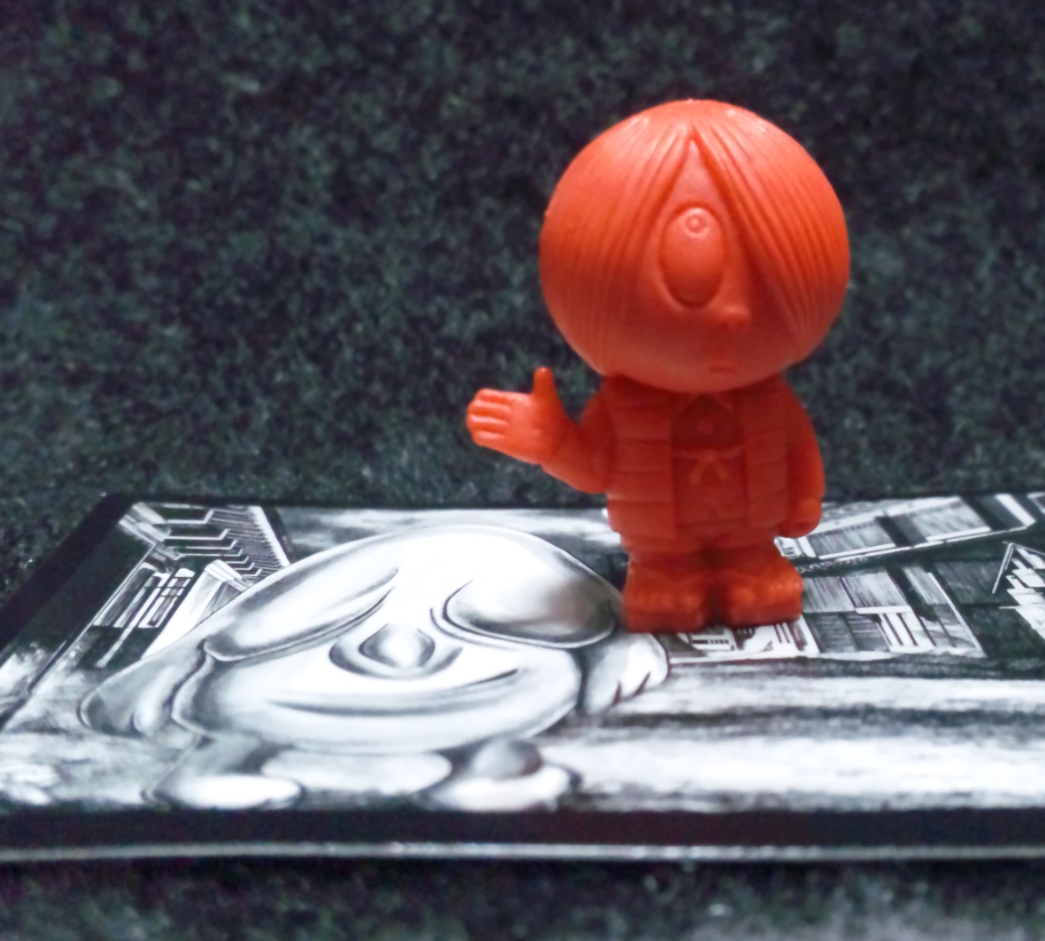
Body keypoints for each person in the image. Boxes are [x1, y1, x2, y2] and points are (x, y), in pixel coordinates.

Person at [467, 101, 850, 632]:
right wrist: (553, 443)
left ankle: (749, 565)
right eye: (693, 280)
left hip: (752, 534)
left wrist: (805, 496)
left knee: (753, 572)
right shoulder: (626, 408)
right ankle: (666, 573)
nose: (733, 315)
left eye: (770, 277)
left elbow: (797, 446)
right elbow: (597, 467)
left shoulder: (770, 400)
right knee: (668, 588)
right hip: (661, 545)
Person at [79, 526, 668, 811]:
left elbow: (598, 616)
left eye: (468, 621)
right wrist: (171, 661)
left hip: (483, 694)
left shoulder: (525, 571)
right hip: (281, 686)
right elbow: (238, 623)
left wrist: (623, 640)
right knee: (247, 688)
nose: (398, 655)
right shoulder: (350, 575)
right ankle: (211, 767)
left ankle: (494, 766)